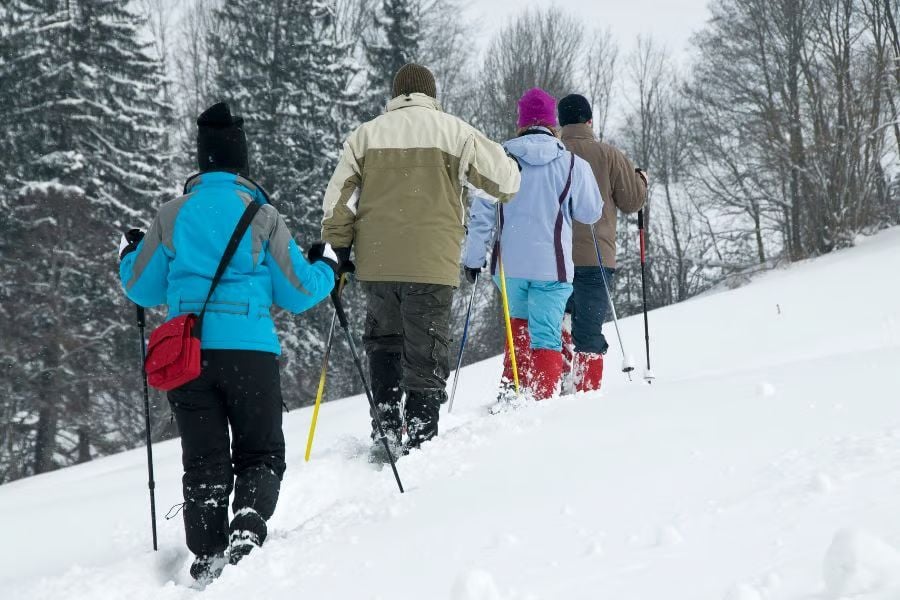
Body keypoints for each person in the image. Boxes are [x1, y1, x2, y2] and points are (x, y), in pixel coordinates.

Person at [118, 102, 338, 583]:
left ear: (202, 158)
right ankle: (248, 523)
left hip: (189, 356)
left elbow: (141, 287)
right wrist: (329, 266)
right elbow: (299, 292)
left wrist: (128, 252)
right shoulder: (262, 215)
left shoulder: (171, 215)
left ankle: (206, 553)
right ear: (240, 158)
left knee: (204, 458)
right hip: (251, 354)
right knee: (260, 452)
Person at [322, 63, 520, 457]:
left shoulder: (364, 136)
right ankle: (421, 435)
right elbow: (506, 184)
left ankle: (387, 427)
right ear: (431, 94)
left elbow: (337, 204)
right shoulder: (456, 132)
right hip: (432, 264)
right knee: (426, 350)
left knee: (384, 343)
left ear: (395, 96)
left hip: (378, 264)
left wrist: (338, 254)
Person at [463, 88, 603, 403]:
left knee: (519, 332)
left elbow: (481, 215)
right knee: (546, 337)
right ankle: (541, 401)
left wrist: (473, 260)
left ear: (521, 123)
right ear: (553, 124)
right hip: (553, 267)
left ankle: (514, 394)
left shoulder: (499, 160)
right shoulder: (572, 164)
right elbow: (590, 212)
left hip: (509, 267)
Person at [557, 94, 648, 392]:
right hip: (597, 258)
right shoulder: (608, 154)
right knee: (590, 329)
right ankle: (585, 393)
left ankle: (559, 381)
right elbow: (632, 201)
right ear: (589, 121)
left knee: (557, 321)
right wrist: (641, 181)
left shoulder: (553, 152)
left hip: (555, 259)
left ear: (560, 122)